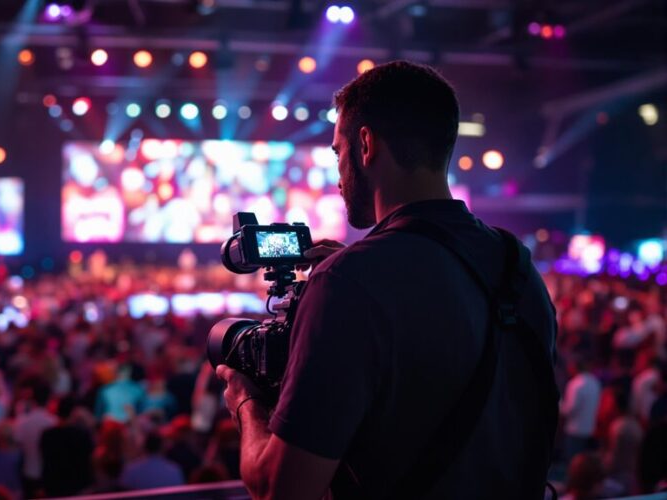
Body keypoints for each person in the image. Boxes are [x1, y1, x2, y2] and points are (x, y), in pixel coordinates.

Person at [215, 60, 558, 499]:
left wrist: (246, 402)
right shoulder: (517, 265)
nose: (338, 175)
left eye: (337, 152)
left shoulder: (349, 281)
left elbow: (280, 491)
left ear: (365, 144)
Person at [40, 396, 95, 497]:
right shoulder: (82, 434)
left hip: (54, 489)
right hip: (78, 489)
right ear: (74, 412)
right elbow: (90, 460)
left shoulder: (47, 435)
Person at [13, 383, 56, 498]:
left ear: (32, 400)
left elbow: (17, 444)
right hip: (48, 474)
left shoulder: (23, 423)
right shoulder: (53, 422)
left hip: (28, 472)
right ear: (50, 400)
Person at [561, 358, 602, 463]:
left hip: (574, 430)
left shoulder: (575, 384)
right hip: (589, 429)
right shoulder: (595, 382)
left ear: (575, 367)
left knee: (571, 463)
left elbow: (570, 409)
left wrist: (558, 405)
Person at [119, 432, 184, 490]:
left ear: (144, 446)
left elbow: (123, 491)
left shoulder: (131, 469)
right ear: (162, 447)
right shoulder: (174, 470)